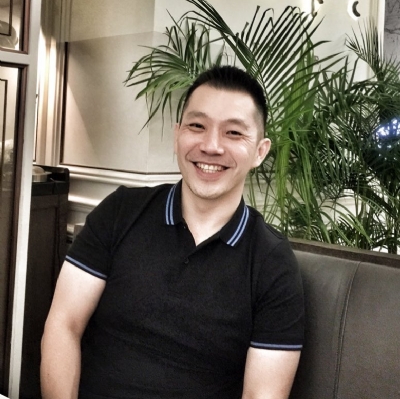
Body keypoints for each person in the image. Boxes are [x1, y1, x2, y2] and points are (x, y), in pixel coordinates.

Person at [41, 65, 304, 399]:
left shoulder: (272, 263)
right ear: (177, 135)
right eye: (197, 126)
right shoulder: (120, 212)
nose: (211, 146)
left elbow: (261, 395)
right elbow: (64, 325)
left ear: (260, 152)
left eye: (234, 133)